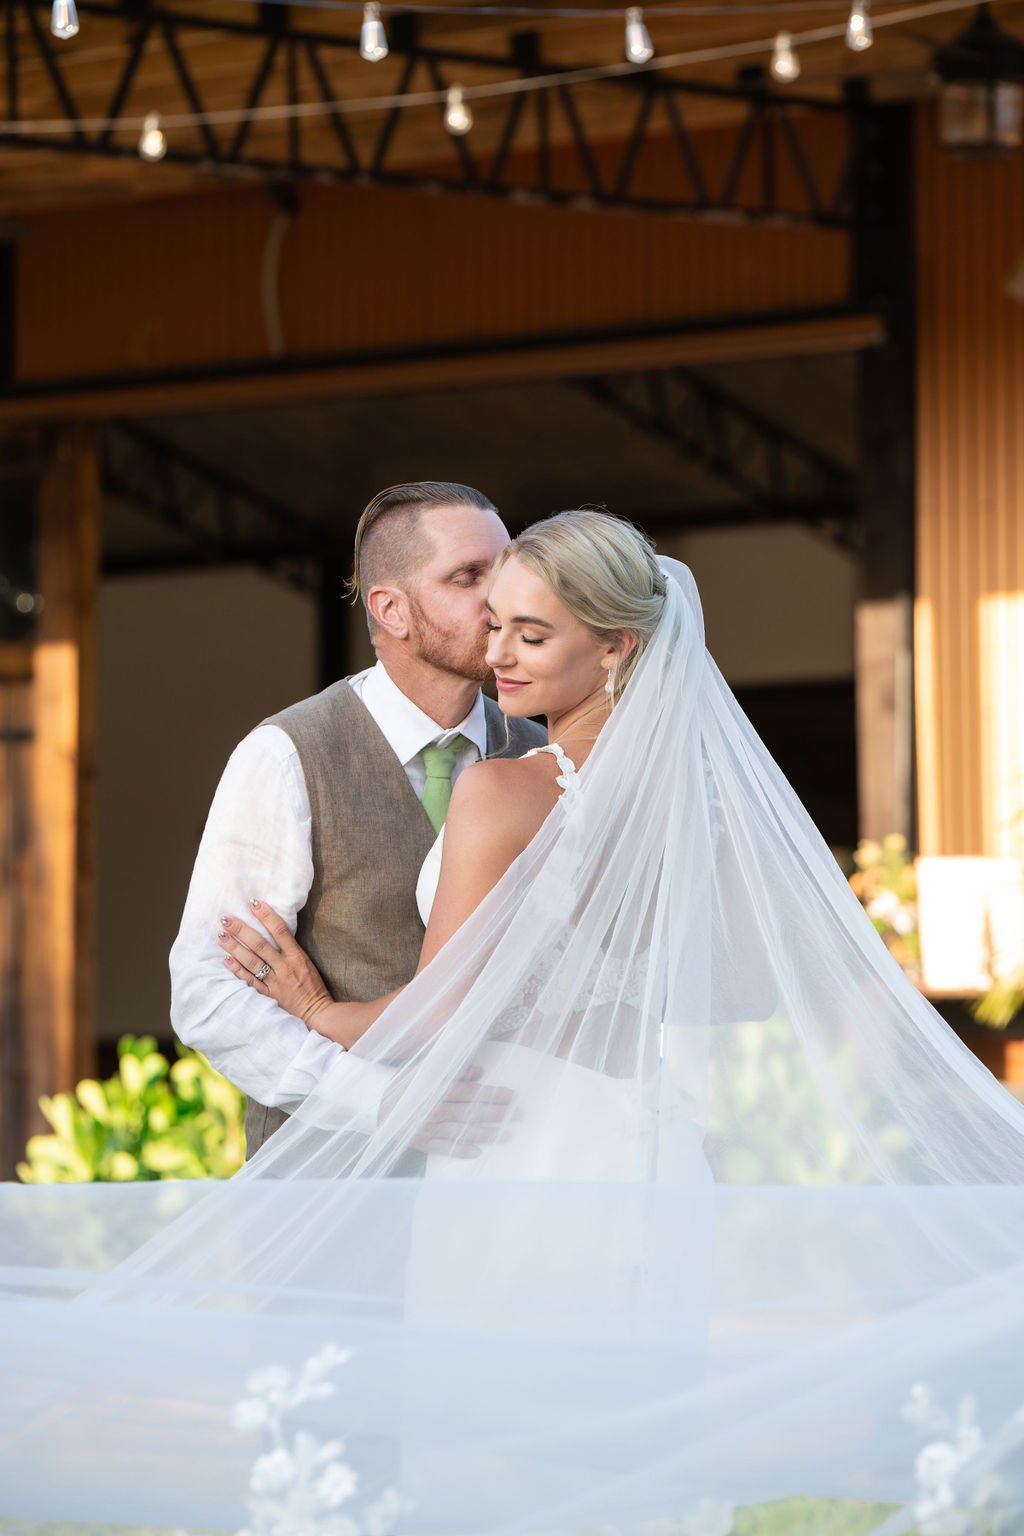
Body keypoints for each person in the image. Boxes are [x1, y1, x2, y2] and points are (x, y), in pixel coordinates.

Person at [6, 510, 1024, 1536]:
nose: (498, 650)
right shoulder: (689, 799)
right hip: (646, 1142)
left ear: (616, 646)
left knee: (494, 1457)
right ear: (390, 609)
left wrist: (321, 1007)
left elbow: (431, 1024)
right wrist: (586, 981)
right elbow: (746, 987)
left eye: (527, 631)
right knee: (629, 1447)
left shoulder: (500, 788)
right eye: (486, 610)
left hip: (514, 1147)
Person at [170, 480, 545, 1160]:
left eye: (507, 569)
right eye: (468, 577)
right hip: (328, 1193)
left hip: (508, 1177)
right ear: (391, 610)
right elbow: (208, 992)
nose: (502, 599)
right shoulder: (287, 754)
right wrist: (378, 1101)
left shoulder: (547, 759)